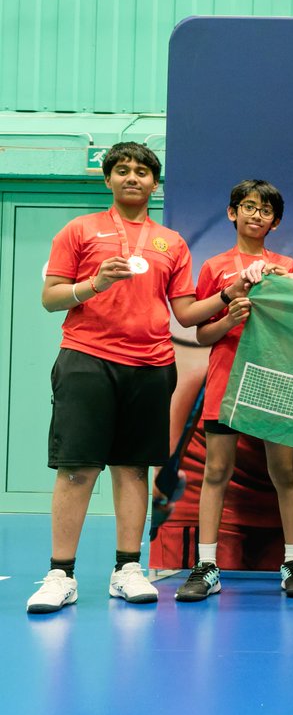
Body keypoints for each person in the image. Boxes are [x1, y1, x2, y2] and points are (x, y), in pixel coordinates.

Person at [27, 143, 252, 614]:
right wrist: (95, 285)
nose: (133, 177)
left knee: (133, 468)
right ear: (107, 179)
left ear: (155, 183)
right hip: (87, 359)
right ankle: (60, 574)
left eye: (143, 171)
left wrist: (226, 296)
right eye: (123, 170)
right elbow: (50, 298)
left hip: (151, 365)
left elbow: (187, 313)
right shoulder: (79, 230)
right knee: (76, 469)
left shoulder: (172, 242)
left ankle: (128, 568)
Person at [173, 180, 293, 601]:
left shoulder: (286, 267)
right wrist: (230, 318)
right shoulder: (214, 267)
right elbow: (201, 334)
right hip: (226, 379)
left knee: (284, 474)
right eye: (248, 206)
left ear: (275, 221)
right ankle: (207, 565)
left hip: (273, 380)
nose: (256, 214)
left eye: (265, 210)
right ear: (233, 213)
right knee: (216, 472)